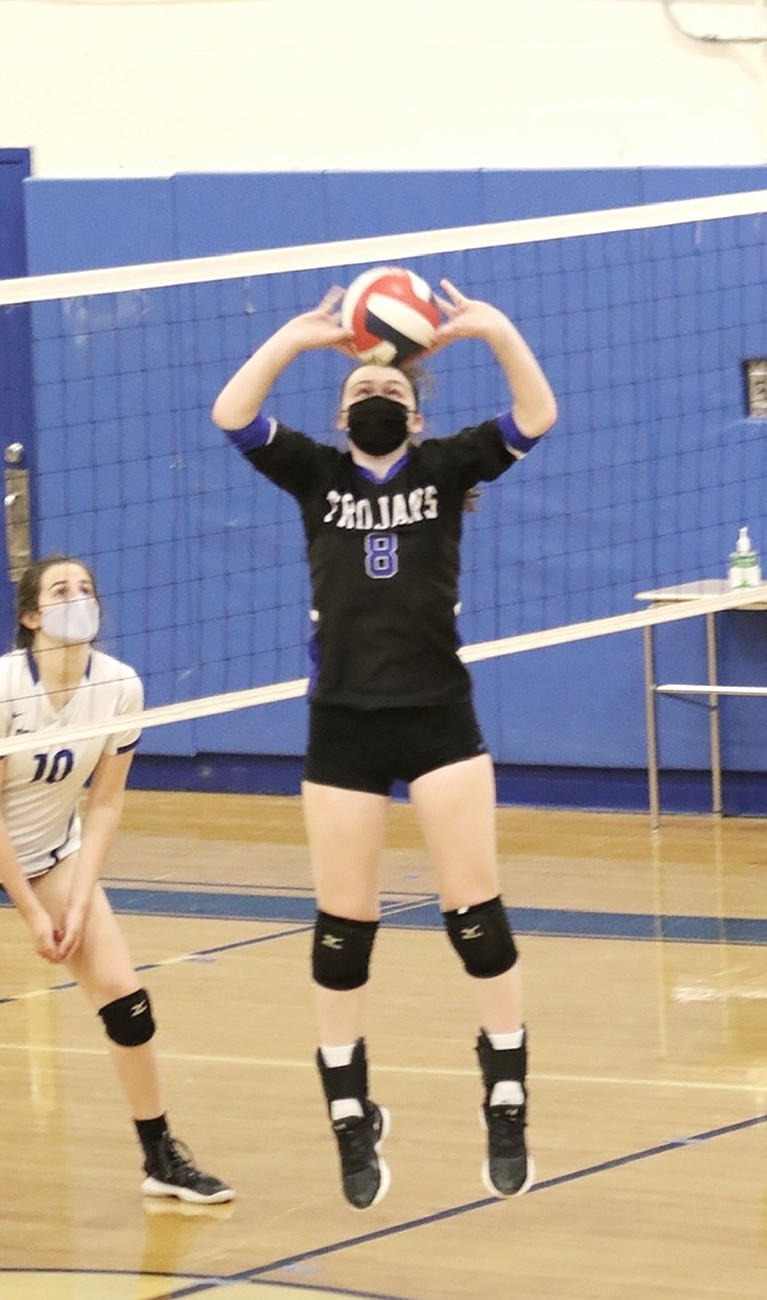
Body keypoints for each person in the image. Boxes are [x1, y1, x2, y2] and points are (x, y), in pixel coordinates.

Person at [212, 278, 557, 1210]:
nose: (374, 402)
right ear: (340, 413)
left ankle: (506, 1090)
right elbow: (233, 413)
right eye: (361, 397)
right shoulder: (316, 476)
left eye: (390, 395)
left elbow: (536, 412)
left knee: (473, 916)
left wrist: (492, 326)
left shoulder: (445, 469)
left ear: (413, 412)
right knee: (340, 933)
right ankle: (348, 1109)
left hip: (438, 714)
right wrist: (292, 338)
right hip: (344, 724)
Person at [0, 555, 234, 1205]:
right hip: (11, 854)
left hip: (50, 851)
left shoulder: (120, 686)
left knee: (126, 1004)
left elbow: (104, 803)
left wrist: (74, 902)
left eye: (85, 589)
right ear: (30, 615)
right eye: (59, 590)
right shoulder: (3, 689)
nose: (76, 598)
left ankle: (160, 1157)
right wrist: (32, 914)